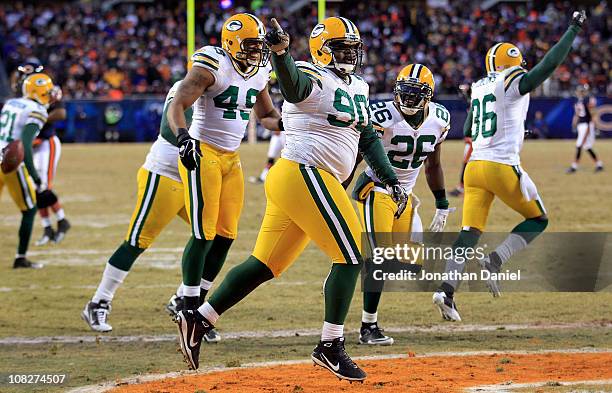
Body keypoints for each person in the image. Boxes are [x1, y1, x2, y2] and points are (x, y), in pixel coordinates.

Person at [174, 16, 407, 382]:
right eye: (341, 48)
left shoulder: (359, 86)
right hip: (304, 171)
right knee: (350, 256)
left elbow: (368, 139)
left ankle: (198, 320)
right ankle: (330, 346)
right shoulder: (308, 73)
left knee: (265, 265)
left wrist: (391, 178)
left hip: (304, 178)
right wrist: (281, 53)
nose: (349, 54)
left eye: (352, 48)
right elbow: (294, 88)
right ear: (322, 50)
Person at [434, 11, 587, 322]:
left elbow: (474, 130)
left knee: (469, 231)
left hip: (475, 167)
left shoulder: (478, 86)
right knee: (538, 219)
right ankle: (495, 260)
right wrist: (572, 30)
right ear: (513, 66)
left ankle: (446, 290)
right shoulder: (511, 80)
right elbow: (548, 67)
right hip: (501, 167)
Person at [167, 13, 282, 322]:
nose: (256, 53)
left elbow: (267, 115)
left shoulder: (259, 73)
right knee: (203, 233)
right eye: (249, 46)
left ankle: (196, 300)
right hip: (203, 151)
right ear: (230, 44)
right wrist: (182, 137)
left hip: (232, 158)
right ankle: (187, 305)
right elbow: (178, 104)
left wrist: (290, 124)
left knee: (226, 235)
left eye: (259, 47)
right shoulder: (211, 64)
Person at [82, 80, 194, 333]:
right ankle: (99, 301)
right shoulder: (191, 84)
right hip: (166, 174)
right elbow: (169, 128)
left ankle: (184, 300)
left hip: (196, 177)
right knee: (138, 240)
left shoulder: (233, 86)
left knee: (215, 236)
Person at [353, 64, 452, 345]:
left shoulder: (440, 119)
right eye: (404, 92)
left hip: (406, 197)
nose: (408, 99)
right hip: (378, 190)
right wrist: (339, 187)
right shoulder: (381, 115)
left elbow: (434, 164)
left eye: (415, 93)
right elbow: (360, 155)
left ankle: (349, 268)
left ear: (428, 95)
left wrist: (442, 203)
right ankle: (368, 327)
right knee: (381, 259)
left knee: (412, 263)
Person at [0, 73, 54, 268]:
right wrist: (35, 176)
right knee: (29, 210)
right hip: (11, 162)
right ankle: (20, 258)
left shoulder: (11, 102)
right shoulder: (37, 110)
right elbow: (25, 145)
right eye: (47, 91)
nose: (50, 94)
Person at [33, 85, 70, 245]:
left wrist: (40, 119)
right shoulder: (21, 97)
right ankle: (47, 228)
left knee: (43, 187)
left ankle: (62, 221)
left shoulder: (45, 88)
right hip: (31, 145)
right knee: (35, 188)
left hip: (46, 143)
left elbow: (61, 113)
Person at [567, 85, 603, 173]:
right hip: (581, 125)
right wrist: (574, 123)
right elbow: (577, 114)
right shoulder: (578, 101)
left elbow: (592, 113)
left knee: (579, 145)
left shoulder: (587, 100)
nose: (579, 93)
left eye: (581, 91)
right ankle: (599, 164)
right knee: (587, 147)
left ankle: (574, 166)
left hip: (586, 125)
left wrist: (594, 126)